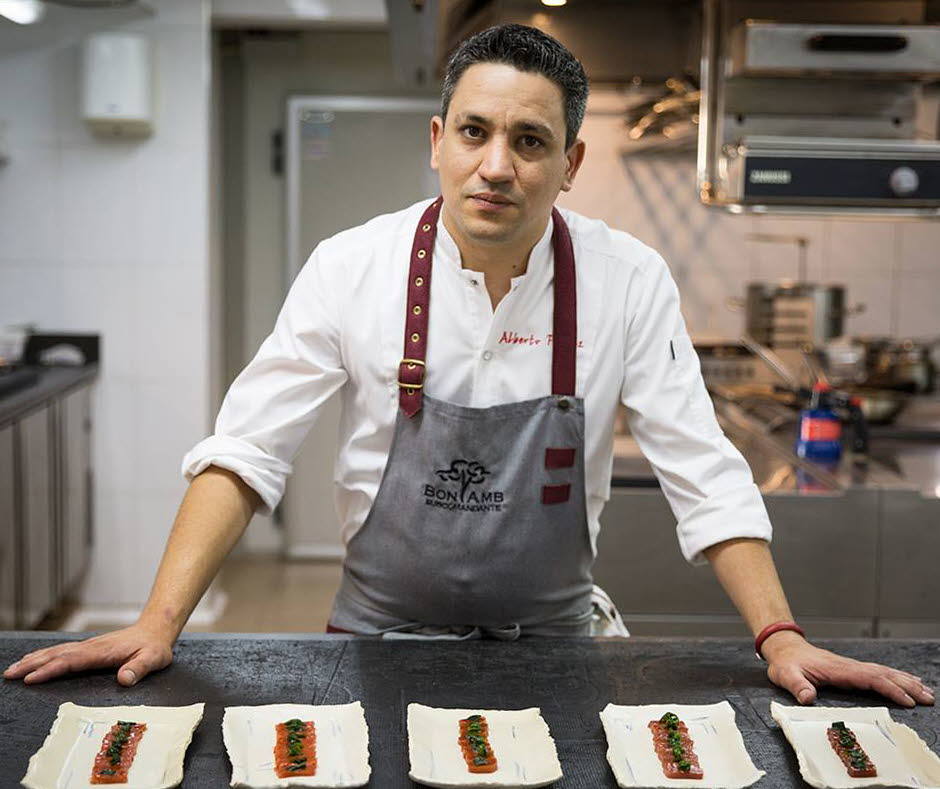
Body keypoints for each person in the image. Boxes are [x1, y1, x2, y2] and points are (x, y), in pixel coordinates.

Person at [5, 24, 933, 708]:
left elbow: (705, 471)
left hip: (564, 646)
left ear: (569, 163)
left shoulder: (627, 281)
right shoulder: (350, 266)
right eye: (476, 132)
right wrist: (157, 623)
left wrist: (780, 635)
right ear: (437, 140)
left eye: (529, 141)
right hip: (373, 642)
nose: (497, 165)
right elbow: (244, 452)